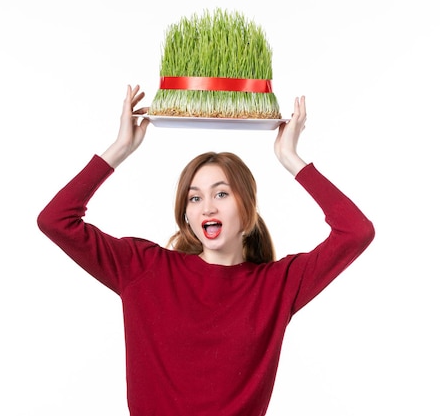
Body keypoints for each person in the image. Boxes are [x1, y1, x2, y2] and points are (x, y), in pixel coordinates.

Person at [37, 84, 375, 416]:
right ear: (186, 213)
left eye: (222, 193)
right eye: (195, 198)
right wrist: (120, 148)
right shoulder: (143, 268)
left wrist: (291, 158)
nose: (207, 208)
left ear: (249, 206)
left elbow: (355, 232)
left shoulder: (277, 285)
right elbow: (56, 220)